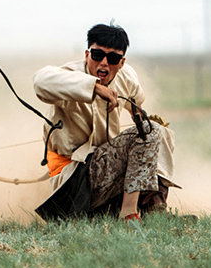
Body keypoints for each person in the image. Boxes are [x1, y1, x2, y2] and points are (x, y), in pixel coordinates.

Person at [32, 23, 179, 222]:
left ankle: (154, 211)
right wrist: (94, 88)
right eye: (97, 55)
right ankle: (129, 215)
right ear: (86, 54)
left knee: (157, 130)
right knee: (149, 131)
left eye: (113, 58)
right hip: (71, 187)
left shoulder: (126, 77)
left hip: (106, 180)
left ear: (122, 62)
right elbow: (40, 82)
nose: (103, 63)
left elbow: (137, 102)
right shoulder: (70, 76)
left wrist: (139, 119)